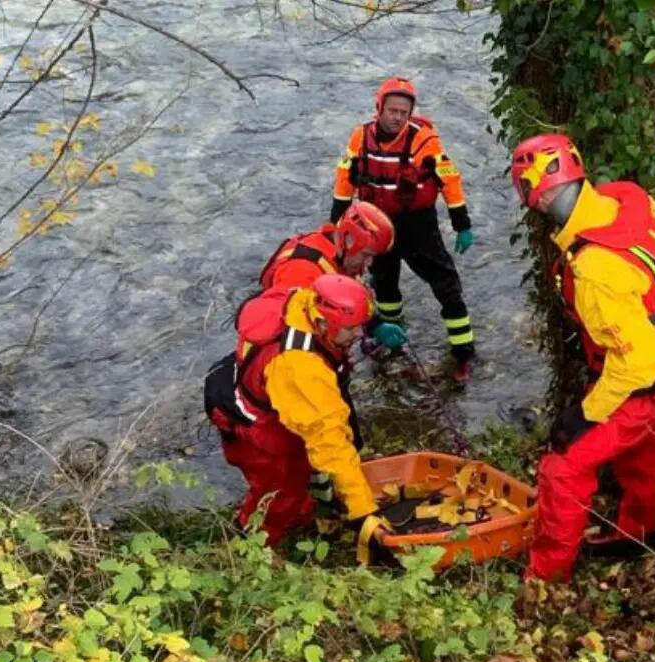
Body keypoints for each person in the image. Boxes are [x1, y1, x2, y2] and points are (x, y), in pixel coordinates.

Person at [510, 133, 655, 582]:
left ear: (534, 194)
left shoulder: (594, 268)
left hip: (640, 376)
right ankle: (640, 533)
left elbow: (636, 362)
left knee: (562, 468)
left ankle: (545, 577)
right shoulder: (625, 204)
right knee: (643, 451)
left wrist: (587, 413)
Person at [203, 274, 381, 547]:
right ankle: (252, 545)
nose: (359, 334)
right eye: (351, 329)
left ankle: (297, 514)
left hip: (255, 393)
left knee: (296, 482)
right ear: (323, 323)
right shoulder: (300, 368)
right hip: (255, 430)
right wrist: (363, 513)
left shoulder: (302, 302)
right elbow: (330, 442)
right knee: (279, 496)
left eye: (361, 326)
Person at [330, 76, 477, 382]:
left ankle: (463, 353)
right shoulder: (360, 137)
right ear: (379, 108)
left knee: (445, 283)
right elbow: (345, 178)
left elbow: (449, 179)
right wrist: (336, 224)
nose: (397, 117)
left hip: (416, 224)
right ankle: (390, 338)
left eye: (403, 112)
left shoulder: (423, 139)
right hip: (375, 223)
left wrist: (461, 223)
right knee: (383, 284)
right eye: (392, 110)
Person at [260, 200, 407, 351]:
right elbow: (298, 332)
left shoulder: (339, 256)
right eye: (366, 255)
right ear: (349, 242)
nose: (369, 263)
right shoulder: (301, 271)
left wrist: (374, 325)